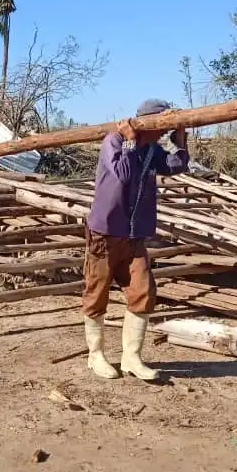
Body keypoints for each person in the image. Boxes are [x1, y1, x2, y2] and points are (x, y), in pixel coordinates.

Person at [82, 98, 189, 381]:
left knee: (143, 293)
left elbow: (176, 165)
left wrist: (180, 137)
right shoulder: (114, 141)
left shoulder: (152, 149)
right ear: (149, 122)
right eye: (163, 124)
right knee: (97, 292)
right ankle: (96, 355)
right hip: (106, 233)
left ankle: (131, 358)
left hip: (134, 234)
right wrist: (129, 141)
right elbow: (123, 174)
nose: (163, 133)